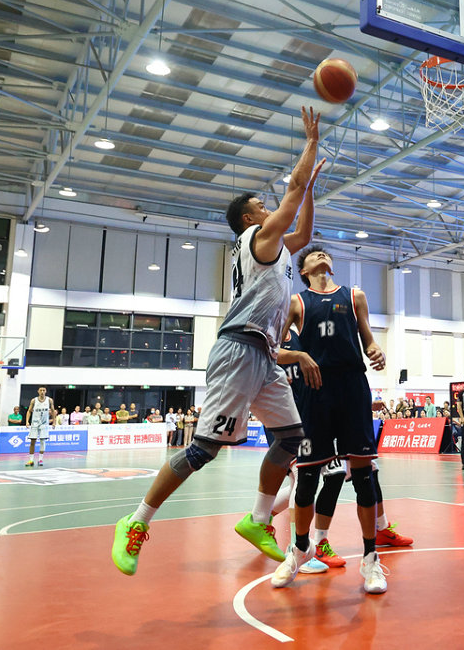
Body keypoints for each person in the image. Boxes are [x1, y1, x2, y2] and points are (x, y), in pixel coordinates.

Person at [111, 106, 323, 577]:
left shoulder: (275, 249)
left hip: (264, 355)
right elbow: (291, 195)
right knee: (203, 450)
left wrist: (309, 189)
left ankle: (258, 519)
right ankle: (136, 521)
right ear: (249, 217)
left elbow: (304, 230)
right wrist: (310, 145)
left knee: (292, 437)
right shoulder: (257, 239)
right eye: (262, 206)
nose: (269, 209)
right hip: (238, 350)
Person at [272, 244, 400, 593]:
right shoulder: (296, 303)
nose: (322, 256)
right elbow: (273, 349)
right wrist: (300, 356)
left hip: (352, 389)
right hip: (315, 392)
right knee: (307, 478)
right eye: (314, 255)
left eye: (325, 254)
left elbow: (369, 340)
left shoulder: (355, 296)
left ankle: (370, 559)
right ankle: (300, 549)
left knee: (363, 477)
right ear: (303, 271)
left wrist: (376, 351)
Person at [25, 387, 54, 467]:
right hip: (34, 423)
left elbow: (53, 411)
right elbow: (29, 411)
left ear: (46, 391)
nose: (42, 392)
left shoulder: (49, 400)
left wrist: (54, 422)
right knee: (32, 441)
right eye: (40, 390)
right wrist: (27, 421)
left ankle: (40, 459)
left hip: (44, 424)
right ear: (38, 391)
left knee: (42, 441)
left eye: (43, 390)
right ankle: (31, 460)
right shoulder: (34, 400)